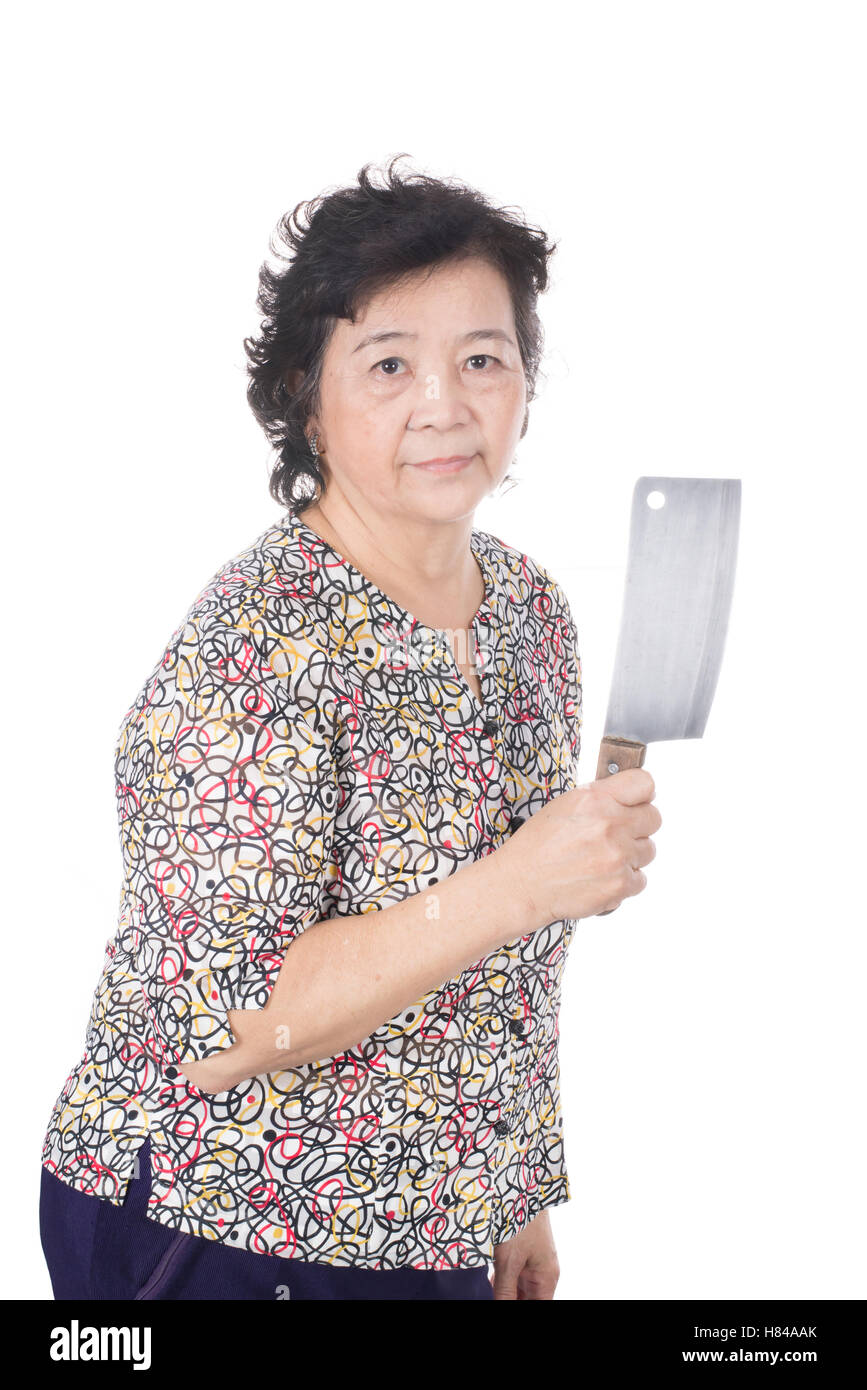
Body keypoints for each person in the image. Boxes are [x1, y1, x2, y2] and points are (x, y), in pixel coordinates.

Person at [39, 155, 661, 1301]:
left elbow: (496, 970)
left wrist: (510, 1189)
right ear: (302, 398)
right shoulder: (256, 644)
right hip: (223, 1212)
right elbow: (230, 1028)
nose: (446, 401)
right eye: (388, 364)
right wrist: (524, 879)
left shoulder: (530, 614)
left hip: (416, 1217)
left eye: (484, 358)